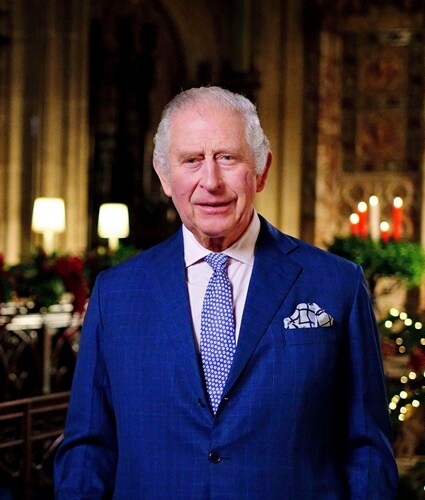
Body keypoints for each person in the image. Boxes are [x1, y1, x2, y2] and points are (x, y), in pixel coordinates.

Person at [54, 86, 398, 498]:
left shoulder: (336, 284)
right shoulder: (116, 294)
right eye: (192, 160)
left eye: (228, 158)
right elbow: (88, 450)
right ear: (164, 176)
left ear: (262, 170)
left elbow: (367, 450)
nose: (211, 181)